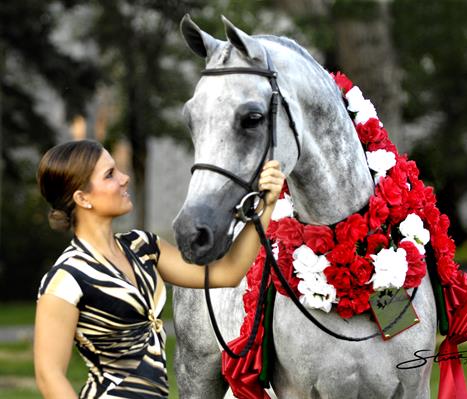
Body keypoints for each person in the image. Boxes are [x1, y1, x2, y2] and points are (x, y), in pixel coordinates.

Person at [34, 139, 285, 399]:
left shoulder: (143, 246)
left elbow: (228, 273)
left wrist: (265, 205)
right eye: (110, 175)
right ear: (82, 198)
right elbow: (48, 375)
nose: (124, 178)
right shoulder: (66, 278)